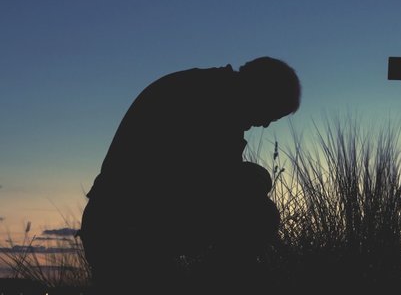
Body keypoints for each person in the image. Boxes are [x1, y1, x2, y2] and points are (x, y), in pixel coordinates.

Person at [79, 56, 300, 294]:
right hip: (123, 230)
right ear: (260, 90)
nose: (266, 124)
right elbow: (214, 185)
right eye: (271, 112)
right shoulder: (211, 103)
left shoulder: (210, 90)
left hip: (119, 223)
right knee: (259, 212)